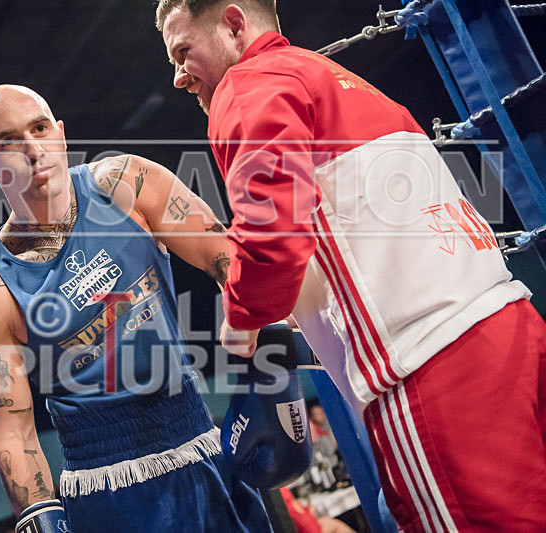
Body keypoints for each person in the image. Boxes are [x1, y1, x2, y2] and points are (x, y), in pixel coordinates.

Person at [156, 1, 546, 532]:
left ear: (232, 23)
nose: (178, 78)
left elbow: (273, 227)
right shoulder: (339, 79)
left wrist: (243, 318)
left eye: (183, 52)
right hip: (509, 326)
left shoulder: (246, 85)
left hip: (430, 370)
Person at [0, 84, 275, 532]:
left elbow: (224, 257)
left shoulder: (126, 184)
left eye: (40, 128)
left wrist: (274, 370)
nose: (32, 150)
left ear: (61, 133)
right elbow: (13, 428)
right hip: (107, 492)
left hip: (202, 445)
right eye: (7, 143)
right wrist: (37, 516)